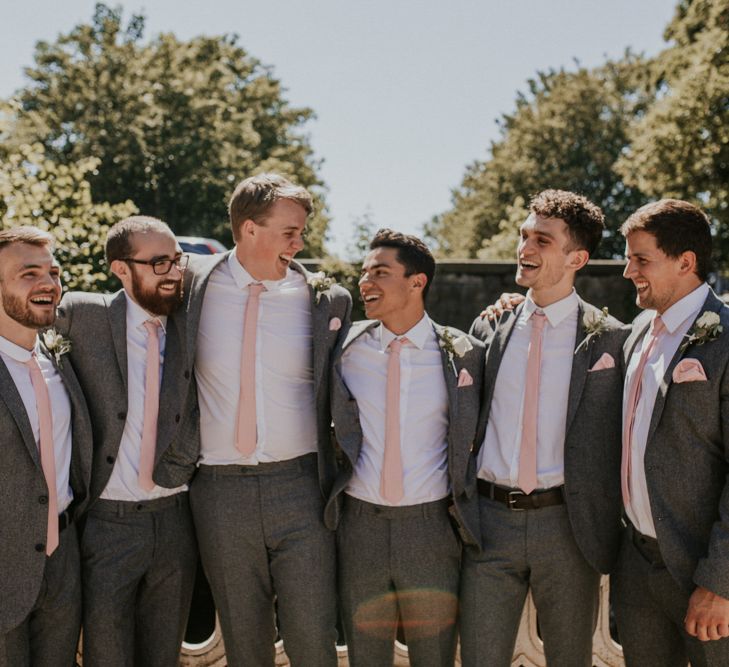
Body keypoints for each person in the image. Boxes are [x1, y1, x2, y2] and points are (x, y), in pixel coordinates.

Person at [184, 173, 352, 666]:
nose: (300, 243)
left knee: (314, 637)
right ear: (249, 229)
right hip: (218, 490)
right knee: (244, 642)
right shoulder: (192, 284)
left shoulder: (325, 300)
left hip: (302, 488)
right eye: (290, 232)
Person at [462, 190, 629, 666]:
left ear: (577, 257)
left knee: (570, 659)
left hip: (569, 527)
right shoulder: (490, 327)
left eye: (542, 240)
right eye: (523, 235)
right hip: (489, 524)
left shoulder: (612, 339)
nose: (525, 248)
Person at [327, 229, 484, 667]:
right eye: (363, 272)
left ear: (417, 282)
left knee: (434, 657)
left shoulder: (465, 353)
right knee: (365, 658)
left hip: (432, 529)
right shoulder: (345, 349)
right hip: (359, 526)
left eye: (380, 272)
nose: (365, 282)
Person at [55, 216, 198, 667]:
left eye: (177, 260)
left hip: (176, 521)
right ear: (121, 268)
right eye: (159, 263)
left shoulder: (192, 322)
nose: (174, 272)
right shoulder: (81, 315)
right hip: (105, 524)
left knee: (163, 657)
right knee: (107, 655)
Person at [613, 199, 729, 666]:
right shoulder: (637, 332)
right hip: (635, 568)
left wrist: (721, 582)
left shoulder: (725, 337)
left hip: (703, 574)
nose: (627, 272)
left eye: (641, 259)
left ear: (686, 262)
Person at [0, 226, 92, 666]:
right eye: (28, 273)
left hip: (63, 560)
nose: (49, 284)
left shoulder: (60, 365)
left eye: (54, 273)